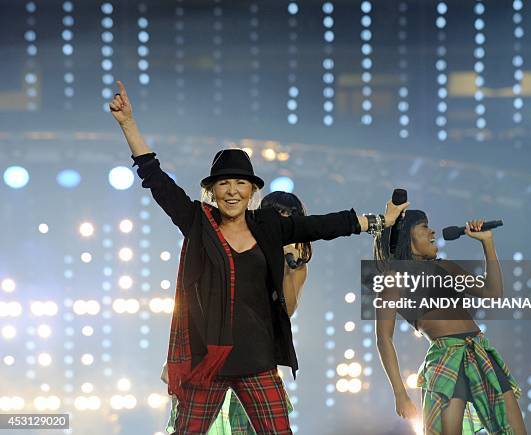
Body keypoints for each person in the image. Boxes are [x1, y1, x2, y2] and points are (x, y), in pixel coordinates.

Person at [109, 81, 407, 434]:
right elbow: (156, 179)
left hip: (257, 360)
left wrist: (379, 221)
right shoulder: (197, 222)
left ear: (252, 190)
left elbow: (322, 225)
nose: (232, 191)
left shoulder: (268, 226)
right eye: (223, 184)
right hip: (209, 361)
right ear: (211, 190)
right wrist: (128, 124)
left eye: (240, 183)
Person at [161, 192, 312, 434]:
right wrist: (175, 357)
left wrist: (288, 268)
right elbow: (198, 302)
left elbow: (287, 310)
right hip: (214, 354)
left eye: (288, 220)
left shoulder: (296, 265)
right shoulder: (237, 245)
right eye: (276, 218)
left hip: (254, 359)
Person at [374, 210, 526, 435]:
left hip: (479, 351)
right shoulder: (394, 278)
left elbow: (493, 292)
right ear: (406, 236)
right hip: (446, 357)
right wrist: (400, 394)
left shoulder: (446, 267)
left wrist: (488, 243)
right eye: (424, 226)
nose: (432, 231)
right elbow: (383, 338)